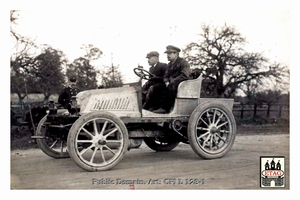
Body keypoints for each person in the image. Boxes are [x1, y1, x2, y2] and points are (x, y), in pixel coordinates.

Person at [153, 45, 190, 114]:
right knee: (156, 87)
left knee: (171, 86)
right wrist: (166, 81)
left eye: (169, 53)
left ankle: (165, 108)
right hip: (171, 84)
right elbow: (166, 76)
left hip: (182, 86)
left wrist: (172, 82)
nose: (167, 55)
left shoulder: (183, 63)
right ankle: (155, 107)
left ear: (176, 54)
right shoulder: (169, 64)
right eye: (167, 54)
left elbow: (184, 75)